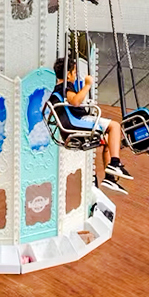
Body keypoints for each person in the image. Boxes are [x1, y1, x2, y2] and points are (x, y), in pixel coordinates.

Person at [52, 57, 133, 194]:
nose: (76, 75)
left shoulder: (58, 89)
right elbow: (76, 101)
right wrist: (87, 85)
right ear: (68, 74)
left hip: (73, 123)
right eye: (74, 72)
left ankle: (110, 178)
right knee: (114, 126)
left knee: (109, 141)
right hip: (77, 123)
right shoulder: (66, 87)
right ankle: (115, 163)